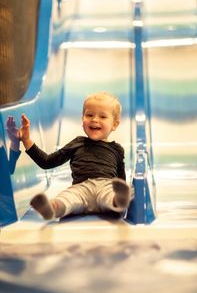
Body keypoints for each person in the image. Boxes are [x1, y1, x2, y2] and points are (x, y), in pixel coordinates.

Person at [19, 91, 131, 220]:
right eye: (89, 115)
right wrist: (26, 140)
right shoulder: (78, 143)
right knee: (67, 198)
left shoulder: (116, 149)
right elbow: (47, 162)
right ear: (82, 118)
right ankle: (52, 208)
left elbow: (120, 181)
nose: (94, 119)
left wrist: (122, 189)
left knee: (110, 196)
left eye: (102, 117)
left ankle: (119, 200)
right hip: (79, 188)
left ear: (115, 124)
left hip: (105, 185)